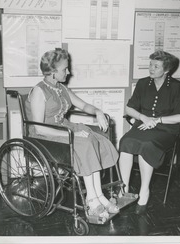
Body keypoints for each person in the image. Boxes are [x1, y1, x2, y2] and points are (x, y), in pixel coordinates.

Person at [25, 48, 119, 220]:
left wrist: (97, 111)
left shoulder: (61, 88)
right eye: (64, 69)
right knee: (83, 143)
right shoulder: (39, 91)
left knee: (94, 138)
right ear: (53, 72)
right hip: (45, 135)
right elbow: (39, 128)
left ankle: (99, 196)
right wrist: (72, 135)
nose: (68, 72)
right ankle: (92, 201)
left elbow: (83, 106)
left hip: (64, 127)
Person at [119, 50, 180, 215]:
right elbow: (129, 108)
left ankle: (144, 191)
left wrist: (157, 120)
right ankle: (123, 189)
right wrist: (143, 117)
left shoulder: (177, 87)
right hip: (143, 125)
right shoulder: (143, 83)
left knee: (147, 145)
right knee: (126, 142)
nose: (151, 68)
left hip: (165, 129)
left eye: (156, 66)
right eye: (150, 64)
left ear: (166, 70)